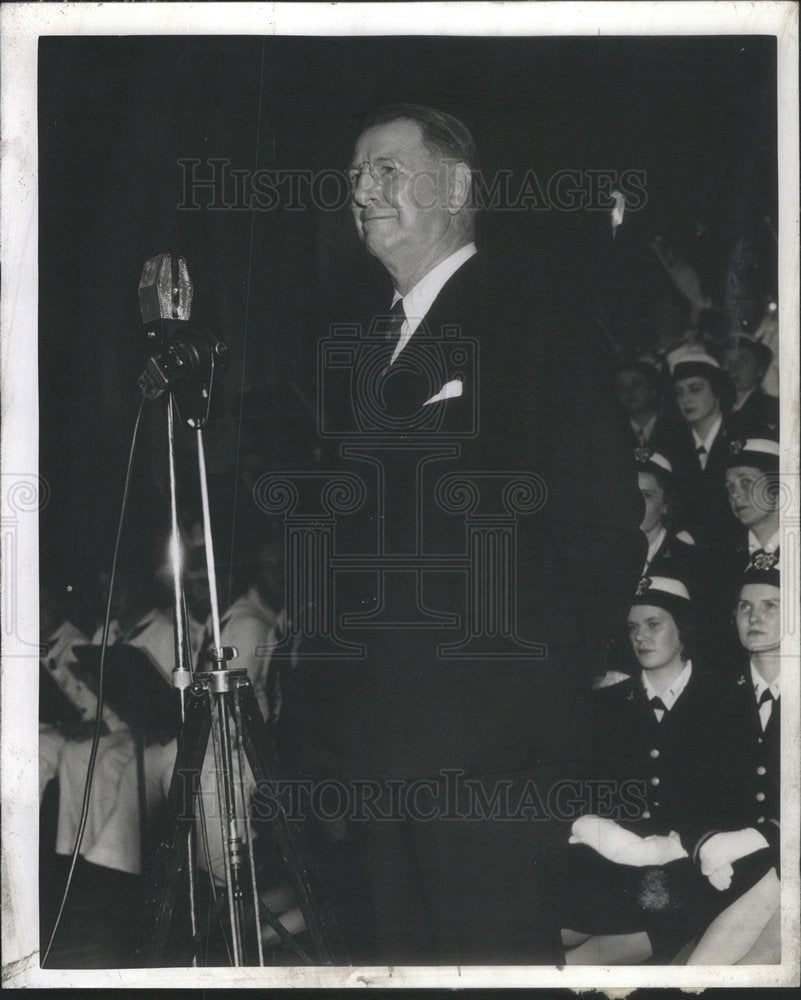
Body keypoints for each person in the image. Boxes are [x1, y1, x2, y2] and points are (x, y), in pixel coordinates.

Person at [281, 103, 644, 963]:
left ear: (456, 187)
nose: (361, 192)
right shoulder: (367, 345)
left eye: (385, 171)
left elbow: (601, 524)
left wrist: (530, 708)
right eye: (354, 178)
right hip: (375, 762)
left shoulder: (533, 319)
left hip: (488, 762)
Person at [558, 576, 728, 964]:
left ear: (682, 629)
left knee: (596, 954)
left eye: (654, 624)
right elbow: (586, 790)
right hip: (611, 857)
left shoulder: (722, 701)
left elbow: (730, 795)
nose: (641, 637)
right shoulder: (609, 704)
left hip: (687, 865)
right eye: (633, 628)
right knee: (555, 933)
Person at [686, 558, 782, 963]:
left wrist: (764, 837)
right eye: (745, 607)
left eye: (770, 606)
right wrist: (705, 842)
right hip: (726, 869)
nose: (754, 617)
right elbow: (685, 789)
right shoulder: (712, 695)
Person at [669, 347, 739, 549]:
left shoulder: (742, 437)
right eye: (679, 392)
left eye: (695, 389)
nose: (686, 399)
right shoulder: (673, 445)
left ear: (717, 390)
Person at [723, 335, 779, 438]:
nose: (733, 369)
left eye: (743, 361)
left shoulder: (772, 409)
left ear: (760, 370)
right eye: (727, 362)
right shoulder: (714, 406)